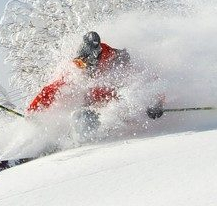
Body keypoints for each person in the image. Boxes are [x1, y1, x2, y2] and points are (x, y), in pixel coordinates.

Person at [27, 32, 164, 136]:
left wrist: (157, 103)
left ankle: (112, 128)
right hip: (90, 105)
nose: (84, 67)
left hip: (114, 101)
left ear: (97, 56)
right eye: (81, 63)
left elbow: (149, 79)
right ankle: (73, 133)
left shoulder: (116, 60)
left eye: (88, 62)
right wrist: (33, 112)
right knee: (81, 105)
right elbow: (50, 90)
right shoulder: (75, 71)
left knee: (122, 97)